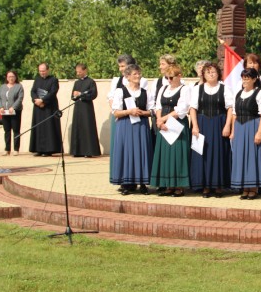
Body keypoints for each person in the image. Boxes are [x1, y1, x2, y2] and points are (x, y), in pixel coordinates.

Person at [189, 62, 234, 198]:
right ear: (203, 74)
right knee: (203, 154)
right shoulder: (197, 89)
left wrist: (227, 125)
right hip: (202, 123)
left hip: (219, 123)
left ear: (218, 73)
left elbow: (230, 108)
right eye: (208, 72)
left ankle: (218, 186)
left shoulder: (225, 88)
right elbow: (193, 108)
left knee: (218, 154)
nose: (211, 74)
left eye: (213, 71)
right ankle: (205, 186)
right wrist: (195, 126)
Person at [110, 64, 155, 195]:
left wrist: (142, 112)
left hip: (141, 125)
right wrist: (129, 111)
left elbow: (152, 110)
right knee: (127, 153)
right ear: (128, 76)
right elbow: (116, 112)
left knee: (142, 152)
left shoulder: (146, 92)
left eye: (139, 73)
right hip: (125, 125)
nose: (138, 76)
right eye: (135, 74)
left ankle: (143, 183)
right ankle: (127, 183)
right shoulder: (120, 91)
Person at [151, 65, 191, 197]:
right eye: (167, 77)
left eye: (171, 77)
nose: (169, 80)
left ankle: (179, 185)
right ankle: (168, 185)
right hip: (163, 124)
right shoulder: (163, 88)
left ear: (179, 76)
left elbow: (181, 109)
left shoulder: (185, 89)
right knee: (165, 155)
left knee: (177, 155)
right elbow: (158, 106)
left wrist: (163, 119)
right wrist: (159, 120)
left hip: (177, 125)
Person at [230, 68, 261, 200]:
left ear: (254, 79)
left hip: (253, 126)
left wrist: (259, 132)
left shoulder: (260, 93)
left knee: (252, 157)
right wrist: (233, 132)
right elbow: (234, 114)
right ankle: (245, 187)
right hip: (239, 128)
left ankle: (253, 188)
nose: (245, 80)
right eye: (243, 78)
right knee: (241, 157)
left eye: (247, 78)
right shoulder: (238, 94)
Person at [29, 62, 62, 157]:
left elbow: (53, 92)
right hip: (38, 107)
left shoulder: (53, 80)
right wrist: (36, 100)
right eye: (40, 71)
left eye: (43, 71)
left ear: (48, 70)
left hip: (49, 107)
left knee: (48, 128)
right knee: (39, 127)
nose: (42, 73)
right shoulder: (37, 79)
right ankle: (39, 149)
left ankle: (48, 150)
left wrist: (43, 100)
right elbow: (33, 91)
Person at [70, 63, 101, 158]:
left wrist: (81, 95)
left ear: (85, 70)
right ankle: (77, 151)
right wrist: (75, 95)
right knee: (77, 128)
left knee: (87, 128)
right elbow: (72, 96)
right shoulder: (77, 83)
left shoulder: (91, 82)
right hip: (78, 108)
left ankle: (88, 151)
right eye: (77, 72)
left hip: (87, 108)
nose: (78, 74)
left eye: (79, 72)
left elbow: (93, 94)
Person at [0, 70, 24, 156]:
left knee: (16, 130)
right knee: (7, 130)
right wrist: (0, 107)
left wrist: (13, 107)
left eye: (12, 76)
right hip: (5, 112)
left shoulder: (19, 87)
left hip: (15, 111)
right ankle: (7, 149)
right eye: (9, 77)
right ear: (7, 78)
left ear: (15, 77)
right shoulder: (2, 87)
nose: (11, 78)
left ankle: (16, 149)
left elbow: (20, 98)